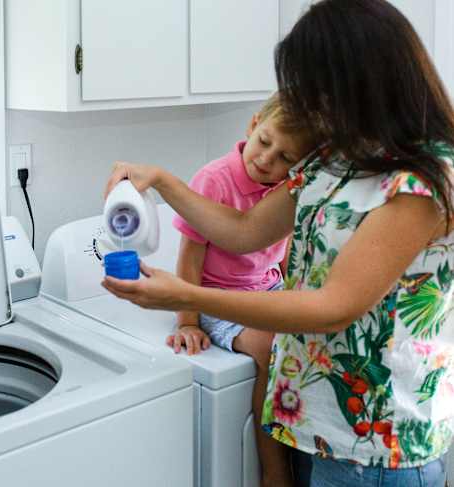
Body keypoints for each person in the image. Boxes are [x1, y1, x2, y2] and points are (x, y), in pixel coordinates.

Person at [102, 1, 454, 486]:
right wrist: (162, 181)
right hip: (310, 421)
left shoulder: (423, 183)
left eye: (319, 93)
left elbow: (334, 307)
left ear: (359, 84)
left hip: (375, 446)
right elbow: (244, 230)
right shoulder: (337, 158)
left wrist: (185, 297)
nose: (313, 107)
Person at [169, 93, 318, 486]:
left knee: (312, 341)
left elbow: (281, 250)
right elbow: (190, 256)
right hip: (218, 300)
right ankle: (273, 471)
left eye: (285, 157)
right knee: (272, 346)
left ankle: (302, 455)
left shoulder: (289, 188)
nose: (268, 159)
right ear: (253, 126)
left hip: (268, 289)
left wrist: (295, 293)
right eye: (265, 141)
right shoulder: (214, 180)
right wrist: (188, 321)